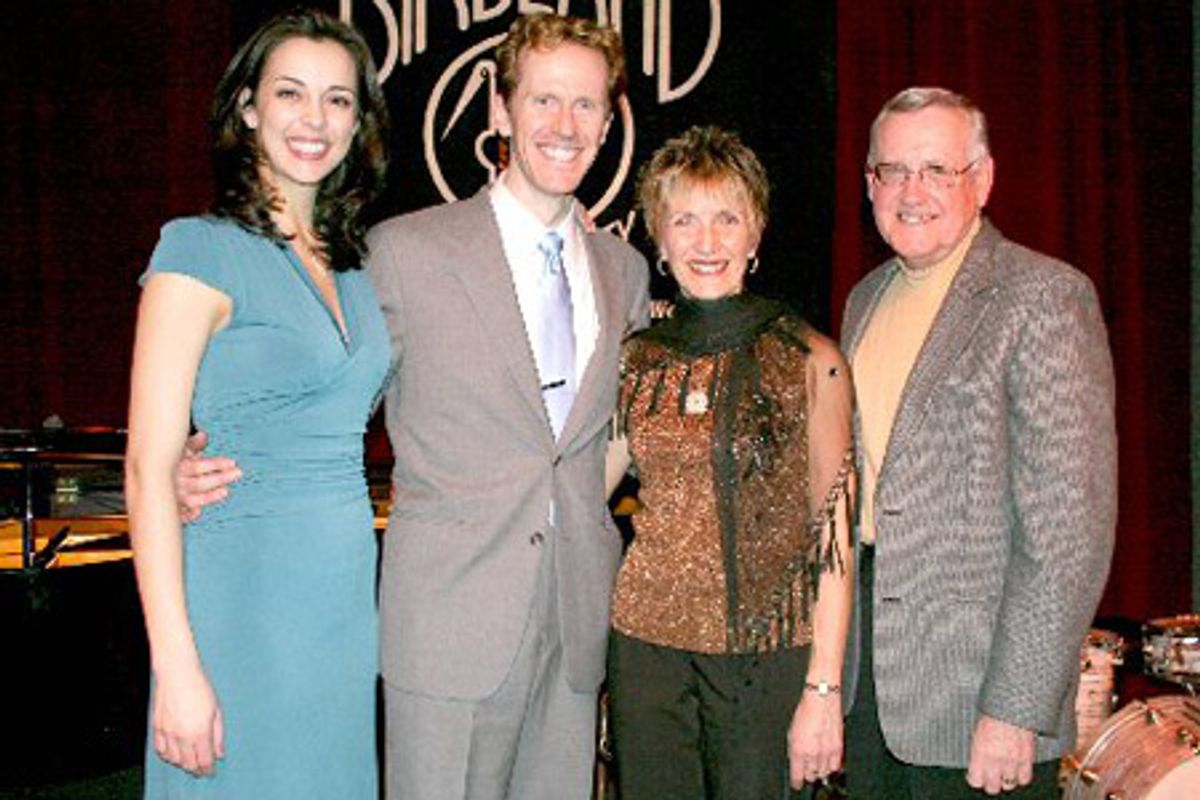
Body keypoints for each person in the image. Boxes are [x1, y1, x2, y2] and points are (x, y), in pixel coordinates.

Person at [176, 12, 649, 800]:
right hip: (447, 625)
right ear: (500, 112)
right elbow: (318, 388)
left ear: (609, 120)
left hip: (575, 628)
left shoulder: (624, 271)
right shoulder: (402, 253)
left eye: (587, 105)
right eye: (543, 101)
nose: (565, 126)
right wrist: (193, 466)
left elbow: (608, 439)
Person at [124, 9, 390, 798]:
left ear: (358, 121)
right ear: (248, 108)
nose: (315, 120)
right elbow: (146, 469)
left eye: (338, 100)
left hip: (341, 609)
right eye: (291, 93)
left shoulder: (356, 268)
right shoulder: (196, 251)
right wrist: (175, 669)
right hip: (243, 603)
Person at [840, 86, 1117, 799]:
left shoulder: (1044, 298)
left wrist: (1014, 708)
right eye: (892, 170)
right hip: (872, 696)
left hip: (980, 708)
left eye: (937, 169)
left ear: (983, 180)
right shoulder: (864, 299)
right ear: (868, 183)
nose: (912, 191)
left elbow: (1068, 532)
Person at [603, 125, 854, 799]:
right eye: (684, 219)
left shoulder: (810, 360)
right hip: (644, 653)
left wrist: (823, 689)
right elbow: (582, 489)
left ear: (756, 234)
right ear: (659, 238)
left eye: (726, 218)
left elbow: (835, 541)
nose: (706, 242)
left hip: (765, 663)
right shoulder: (637, 360)